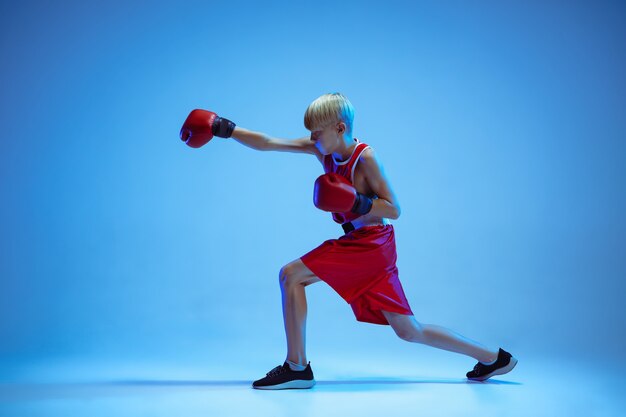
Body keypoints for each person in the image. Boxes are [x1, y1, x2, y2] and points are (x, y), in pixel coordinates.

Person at [180, 93, 518, 390]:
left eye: (317, 131)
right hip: (366, 244)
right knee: (408, 329)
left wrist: (358, 202)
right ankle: (494, 358)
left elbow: (395, 209)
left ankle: (297, 368)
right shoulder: (321, 149)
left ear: (340, 128)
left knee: (290, 275)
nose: (312, 137)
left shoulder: (366, 159)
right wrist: (225, 128)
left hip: (371, 244)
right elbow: (269, 142)